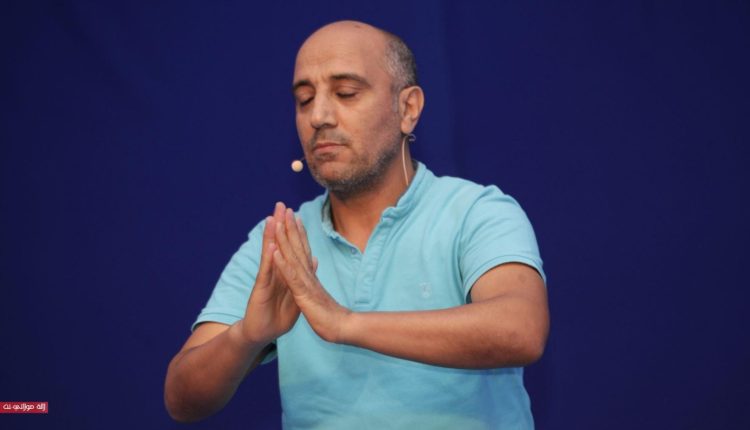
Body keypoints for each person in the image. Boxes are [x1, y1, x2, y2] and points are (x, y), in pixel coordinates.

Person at [165, 20, 549, 429]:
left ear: (408, 109)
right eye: (304, 99)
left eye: (345, 93)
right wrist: (246, 336)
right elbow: (181, 400)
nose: (318, 116)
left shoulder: (475, 212)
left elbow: (521, 330)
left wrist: (344, 323)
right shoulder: (281, 240)